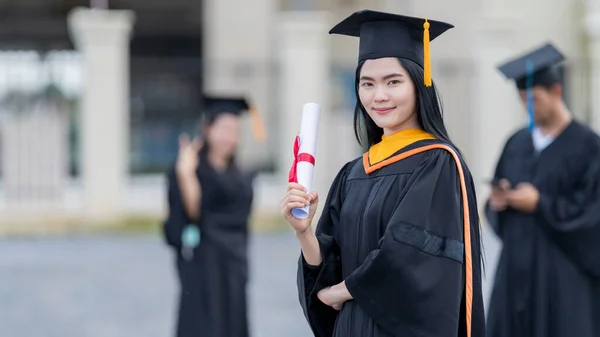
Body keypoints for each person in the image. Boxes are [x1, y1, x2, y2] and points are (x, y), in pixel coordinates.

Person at [280, 9, 486, 337]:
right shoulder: (353, 173)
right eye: (367, 83)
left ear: (420, 85)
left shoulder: (437, 163)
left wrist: (344, 290)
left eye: (393, 82)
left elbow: (412, 258)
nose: (379, 96)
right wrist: (303, 232)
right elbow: (330, 264)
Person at [485, 42, 600, 337]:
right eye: (523, 100)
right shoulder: (517, 143)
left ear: (556, 92)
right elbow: (496, 201)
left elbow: (593, 214)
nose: (528, 107)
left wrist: (540, 203)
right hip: (515, 268)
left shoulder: (589, 146)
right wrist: (498, 201)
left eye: (534, 99)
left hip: (563, 275)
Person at [162, 95, 263, 337]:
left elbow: (236, 220)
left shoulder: (243, 177)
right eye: (225, 128)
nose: (230, 137)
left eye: (235, 130)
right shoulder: (188, 169)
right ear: (208, 129)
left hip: (232, 266)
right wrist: (186, 176)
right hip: (201, 266)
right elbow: (191, 215)